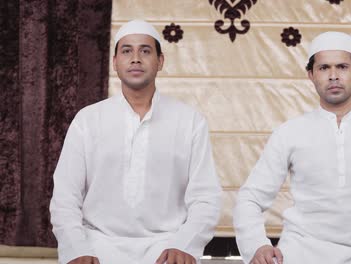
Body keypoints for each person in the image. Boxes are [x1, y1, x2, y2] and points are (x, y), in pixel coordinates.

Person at [233, 31, 351, 264]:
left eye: (342, 67)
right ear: (311, 75)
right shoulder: (289, 133)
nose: (333, 76)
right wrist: (257, 246)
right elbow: (250, 198)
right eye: (324, 68)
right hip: (299, 253)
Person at [50, 20, 222, 264]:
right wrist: (76, 248)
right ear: (115, 62)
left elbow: (205, 198)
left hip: (167, 248)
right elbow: (65, 196)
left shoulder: (190, 121)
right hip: (96, 245)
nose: (136, 59)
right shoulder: (88, 120)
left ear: (160, 61)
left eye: (145, 50)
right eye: (127, 51)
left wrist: (184, 245)